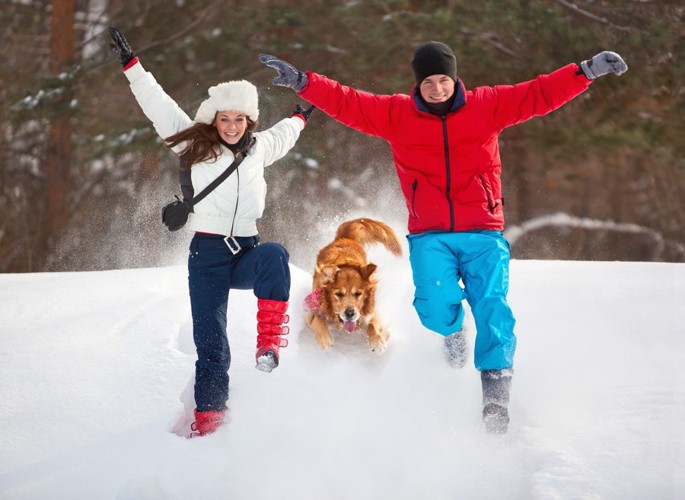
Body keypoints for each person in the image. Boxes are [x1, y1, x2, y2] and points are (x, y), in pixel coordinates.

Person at [259, 42, 627, 434]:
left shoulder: (487, 105)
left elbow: (537, 94)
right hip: (430, 234)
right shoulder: (396, 114)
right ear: (418, 84)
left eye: (444, 80)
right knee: (434, 306)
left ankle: (495, 398)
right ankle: (452, 330)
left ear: (455, 78)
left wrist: (585, 71)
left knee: (492, 307)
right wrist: (304, 83)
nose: (437, 89)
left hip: (483, 230)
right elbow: (350, 102)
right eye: (430, 82)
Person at [109, 27, 314, 437]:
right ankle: (208, 421)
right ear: (213, 119)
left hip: (247, 250)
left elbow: (285, 134)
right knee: (212, 346)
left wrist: (301, 115)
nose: (233, 126)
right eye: (226, 118)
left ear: (249, 121)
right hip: (208, 256)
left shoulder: (259, 148)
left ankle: (268, 345)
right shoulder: (192, 146)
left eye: (240, 119)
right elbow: (158, 106)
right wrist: (133, 67)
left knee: (275, 254)